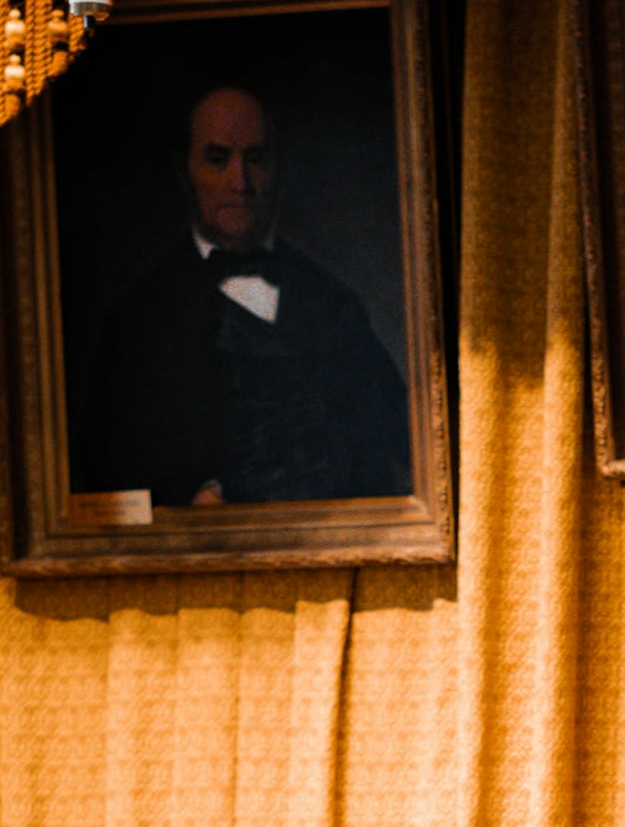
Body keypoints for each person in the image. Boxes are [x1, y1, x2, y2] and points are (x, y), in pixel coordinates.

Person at [76, 73, 413, 509]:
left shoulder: (334, 306)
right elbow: (102, 480)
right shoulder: (136, 322)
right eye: (218, 160)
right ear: (185, 172)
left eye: (255, 160)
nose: (240, 182)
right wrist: (185, 500)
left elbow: (395, 449)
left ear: (276, 169)